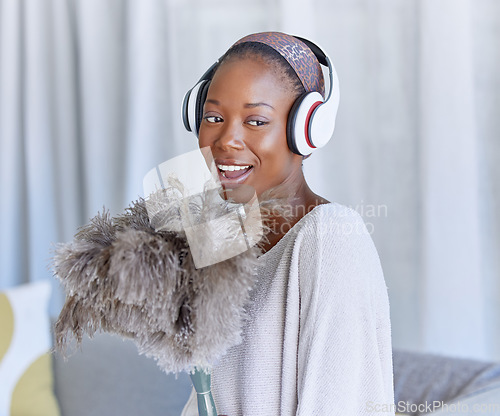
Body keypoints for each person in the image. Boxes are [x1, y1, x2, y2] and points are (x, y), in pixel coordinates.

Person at [181, 32, 395, 415]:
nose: (226, 140)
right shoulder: (225, 237)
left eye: (256, 120)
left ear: (307, 129)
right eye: (213, 117)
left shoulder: (329, 236)